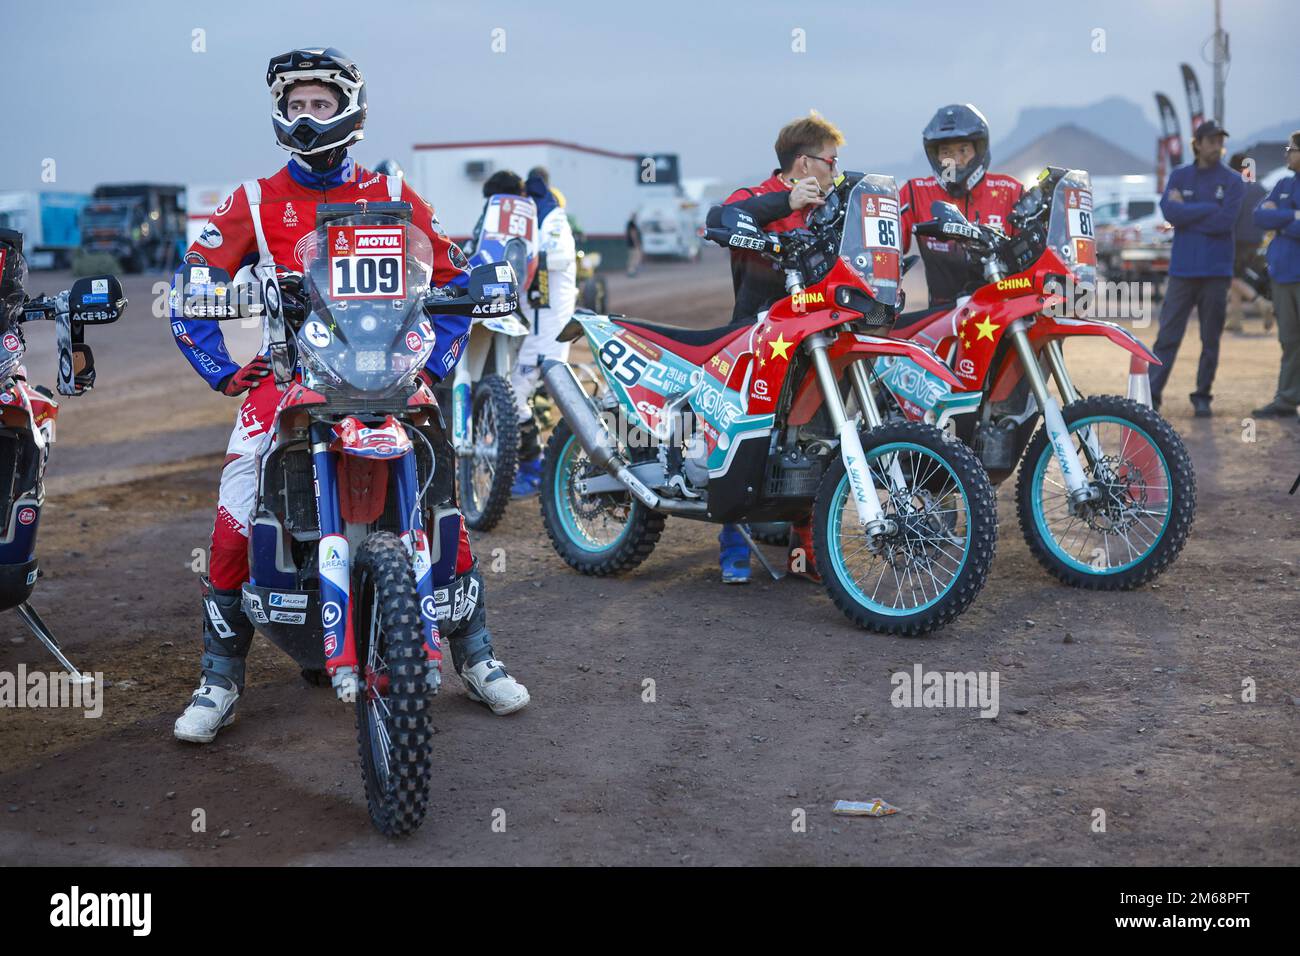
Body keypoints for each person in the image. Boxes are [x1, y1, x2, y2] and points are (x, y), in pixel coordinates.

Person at [170, 47, 529, 744]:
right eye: (296, 104)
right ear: (280, 112)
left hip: (391, 377)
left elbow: (455, 278)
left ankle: (477, 655)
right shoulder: (251, 200)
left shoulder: (394, 191)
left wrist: (438, 361)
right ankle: (218, 677)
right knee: (235, 513)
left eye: (321, 104)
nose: (307, 116)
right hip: (290, 379)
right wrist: (222, 368)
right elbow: (191, 290)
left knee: (440, 496)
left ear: (351, 110)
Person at [710, 110, 844, 583]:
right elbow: (722, 219)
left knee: (818, 442)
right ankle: (732, 544)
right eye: (831, 161)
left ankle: (804, 549)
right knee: (745, 441)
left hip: (818, 342)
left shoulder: (830, 208)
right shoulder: (753, 197)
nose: (836, 169)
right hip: (754, 339)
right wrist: (786, 201)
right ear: (805, 163)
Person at [1147, 120, 1245, 417]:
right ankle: (1152, 395)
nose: (1216, 146)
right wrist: (1205, 209)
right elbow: (1169, 212)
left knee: (1210, 339)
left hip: (1216, 272)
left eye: (1220, 141)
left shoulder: (1233, 181)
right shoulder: (1180, 176)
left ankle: (1202, 395)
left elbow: (1224, 222)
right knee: (1167, 337)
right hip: (1182, 272)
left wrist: (1187, 214)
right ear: (1198, 144)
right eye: (1211, 141)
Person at [900, 104, 1024, 307]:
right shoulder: (915, 191)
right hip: (942, 318)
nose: (955, 160)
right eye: (946, 151)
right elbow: (884, 248)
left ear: (979, 149)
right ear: (935, 155)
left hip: (1004, 313)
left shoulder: (1010, 191)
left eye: (963, 150)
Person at [510, 166, 577, 497]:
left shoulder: (551, 218)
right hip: (536, 324)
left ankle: (537, 467)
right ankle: (539, 465)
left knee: (519, 393)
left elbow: (552, 259)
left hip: (547, 327)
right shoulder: (542, 214)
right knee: (528, 393)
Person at [1250, 132, 1300, 418]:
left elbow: (1273, 218)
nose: (1286, 154)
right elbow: (1260, 216)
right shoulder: (1283, 184)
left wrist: (1281, 220)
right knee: (1289, 340)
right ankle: (1286, 399)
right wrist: (1293, 217)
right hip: (1282, 277)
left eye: (1291, 150)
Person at [1225, 152, 1271, 332]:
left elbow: (1232, 216)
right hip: (1256, 240)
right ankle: (1235, 319)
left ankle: (1260, 303)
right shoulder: (1260, 187)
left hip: (1237, 239)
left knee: (1228, 277)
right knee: (1238, 275)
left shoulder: (1235, 187)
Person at [626, 212, 643, 277]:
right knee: (635, 258)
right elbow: (633, 234)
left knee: (631, 258)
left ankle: (631, 271)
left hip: (630, 244)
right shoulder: (632, 224)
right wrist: (636, 243)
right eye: (635, 217)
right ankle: (632, 272)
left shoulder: (630, 224)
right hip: (633, 245)